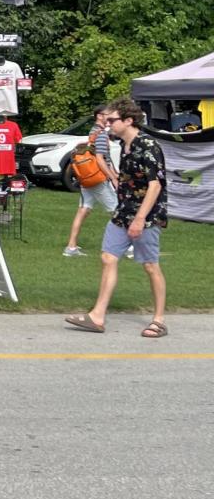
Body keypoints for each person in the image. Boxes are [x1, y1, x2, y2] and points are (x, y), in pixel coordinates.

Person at [65, 98, 169, 337]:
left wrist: (140, 219)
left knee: (150, 265)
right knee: (108, 257)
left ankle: (159, 320)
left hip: (147, 215)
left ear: (128, 120)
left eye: (112, 120)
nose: (107, 124)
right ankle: (97, 316)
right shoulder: (125, 145)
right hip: (124, 211)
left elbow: (155, 186)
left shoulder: (148, 145)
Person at [63, 105, 119, 257]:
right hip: (98, 179)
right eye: (108, 114)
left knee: (84, 209)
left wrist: (114, 172)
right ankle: (128, 247)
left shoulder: (94, 132)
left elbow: (103, 157)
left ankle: (71, 247)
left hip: (87, 178)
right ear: (99, 116)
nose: (111, 117)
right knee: (117, 211)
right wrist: (113, 177)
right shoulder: (100, 134)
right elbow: (100, 160)